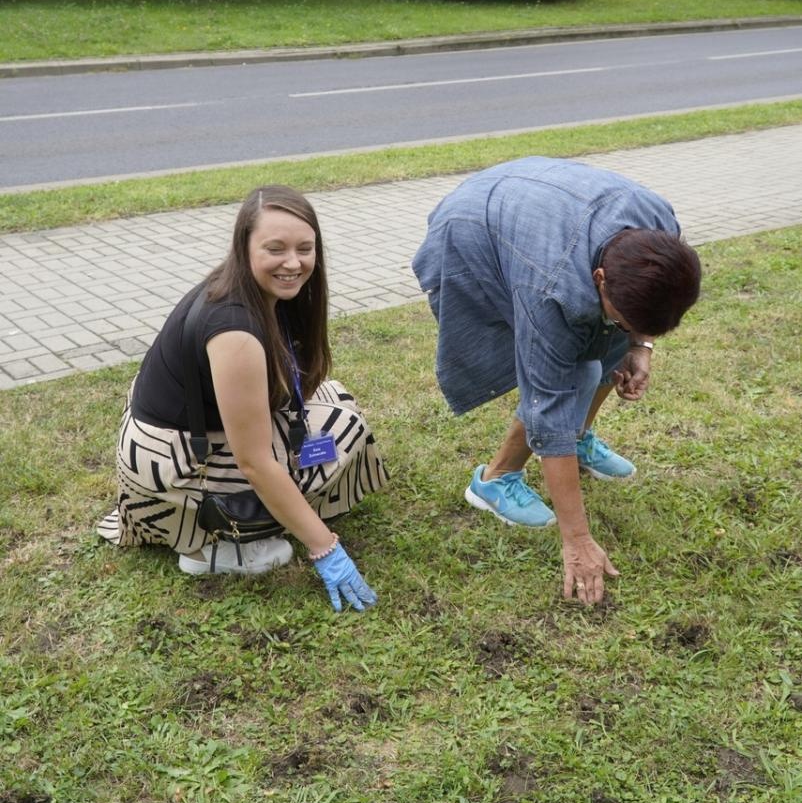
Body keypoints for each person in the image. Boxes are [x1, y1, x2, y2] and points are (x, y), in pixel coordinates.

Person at [412, 156, 701, 606]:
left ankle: (580, 436)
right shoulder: (551, 287)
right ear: (599, 279)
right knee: (571, 373)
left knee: (603, 344)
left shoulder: (658, 223)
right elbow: (548, 402)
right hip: (473, 231)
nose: (629, 329)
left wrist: (640, 346)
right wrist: (578, 540)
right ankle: (493, 482)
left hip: (543, 208)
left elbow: (635, 311)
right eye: (627, 320)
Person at [98, 185, 388, 612]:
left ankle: (229, 521)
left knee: (336, 403)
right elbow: (255, 462)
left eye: (305, 248)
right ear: (244, 246)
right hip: (171, 460)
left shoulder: (247, 287)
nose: (294, 262)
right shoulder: (234, 331)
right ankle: (213, 549)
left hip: (167, 433)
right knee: (339, 440)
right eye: (276, 248)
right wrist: (325, 549)